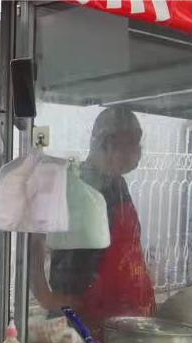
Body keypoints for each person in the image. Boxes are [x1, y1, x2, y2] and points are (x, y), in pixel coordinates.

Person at [32, 106, 155, 331]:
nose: (138, 152)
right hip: (82, 314)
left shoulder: (117, 183)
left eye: (138, 144)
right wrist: (45, 296)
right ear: (108, 143)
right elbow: (34, 237)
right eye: (133, 144)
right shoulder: (74, 183)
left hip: (123, 314)